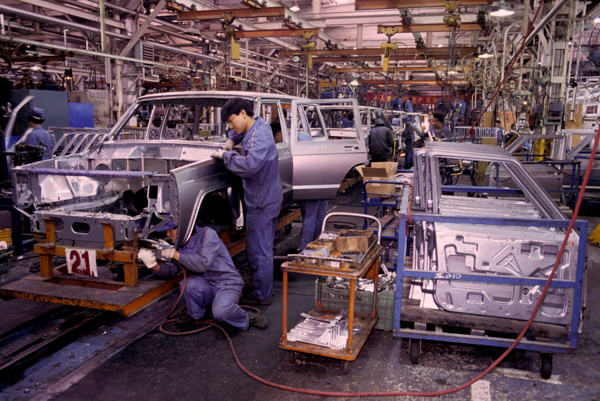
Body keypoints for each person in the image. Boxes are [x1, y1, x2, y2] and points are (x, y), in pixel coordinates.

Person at [211, 98, 282, 305]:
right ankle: (263, 289)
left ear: (243, 113)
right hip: (264, 197)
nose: (231, 127)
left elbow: (249, 165)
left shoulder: (258, 136)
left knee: (260, 251)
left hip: (262, 201)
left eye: (232, 121)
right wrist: (231, 141)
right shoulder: (258, 124)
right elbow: (239, 132)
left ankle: (263, 295)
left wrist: (225, 156)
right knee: (260, 247)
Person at [138, 222, 268, 329]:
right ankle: (196, 314)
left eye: (171, 230)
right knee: (187, 284)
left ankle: (245, 316)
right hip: (208, 284)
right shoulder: (181, 246)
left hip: (227, 284)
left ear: (184, 228)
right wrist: (153, 264)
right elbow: (172, 271)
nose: (167, 234)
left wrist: (175, 255)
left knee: (221, 312)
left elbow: (202, 264)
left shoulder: (207, 234)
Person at [296, 131, 328, 251]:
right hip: (326, 184)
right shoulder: (315, 151)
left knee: (309, 215)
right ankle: (316, 244)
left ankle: (304, 247)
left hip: (313, 187)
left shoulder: (303, 155)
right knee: (320, 215)